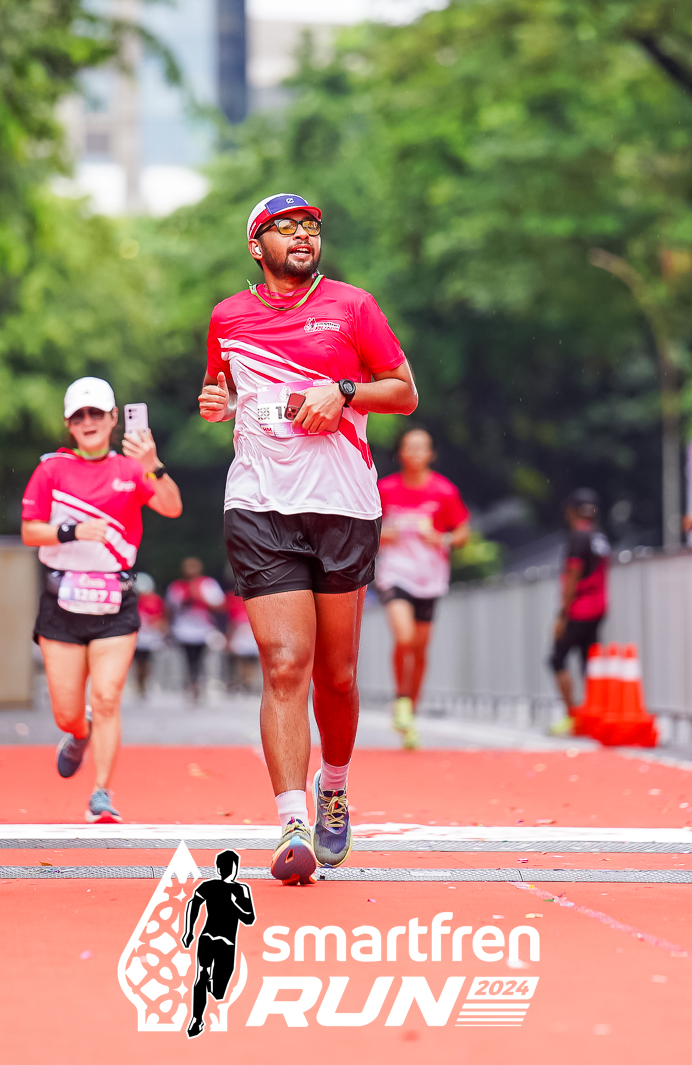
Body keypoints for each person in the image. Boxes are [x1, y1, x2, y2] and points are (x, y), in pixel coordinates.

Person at [198, 191, 418, 884]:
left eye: (311, 227)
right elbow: (225, 392)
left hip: (342, 506)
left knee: (337, 675)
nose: (302, 235)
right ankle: (292, 821)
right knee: (286, 663)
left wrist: (343, 392)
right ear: (255, 245)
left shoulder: (353, 306)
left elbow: (403, 392)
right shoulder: (227, 317)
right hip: (260, 504)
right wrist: (218, 404)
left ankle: (335, 788)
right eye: (285, 227)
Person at [21, 375, 183, 823]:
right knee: (67, 713)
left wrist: (153, 464)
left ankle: (102, 793)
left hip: (115, 603)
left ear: (114, 418)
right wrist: (71, 531)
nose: (88, 421)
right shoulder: (51, 470)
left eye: (97, 413)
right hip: (62, 603)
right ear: (69, 424)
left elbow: (172, 507)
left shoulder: (132, 469)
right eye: (79, 415)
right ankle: (79, 733)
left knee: (108, 697)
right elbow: (30, 531)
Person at [375, 427, 472, 749]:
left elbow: (463, 533)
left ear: (431, 454)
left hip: (430, 578)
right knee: (404, 637)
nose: (415, 452)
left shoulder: (443, 491)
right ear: (400, 453)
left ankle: (410, 712)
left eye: (422, 447)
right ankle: (401, 699)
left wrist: (442, 538)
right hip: (395, 574)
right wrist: (381, 535)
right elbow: (365, 526)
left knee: (419, 649)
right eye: (409, 446)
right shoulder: (386, 488)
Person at [547, 488, 611, 736]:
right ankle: (594, 714)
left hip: (580, 607)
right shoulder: (599, 538)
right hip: (599, 606)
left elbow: (573, 574)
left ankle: (573, 715)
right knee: (589, 661)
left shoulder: (577, 537)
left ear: (572, 511)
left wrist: (562, 615)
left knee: (557, 658)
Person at [179, 849, 256, 1038]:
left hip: (221, 942)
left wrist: (233, 905)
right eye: (227, 866)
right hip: (212, 938)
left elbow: (249, 918)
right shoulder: (212, 886)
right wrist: (189, 931)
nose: (230, 870)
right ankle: (197, 1018)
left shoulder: (240, 889)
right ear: (221, 869)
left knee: (217, 990)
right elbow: (193, 904)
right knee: (202, 974)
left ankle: (209, 986)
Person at [166, 558, 227, 703]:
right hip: (183, 630)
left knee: (202, 659)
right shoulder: (177, 586)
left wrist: (201, 598)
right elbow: (169, 608)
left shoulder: (208, 584)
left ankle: (200, 683)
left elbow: (221, 606)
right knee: (187, 659)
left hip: (204, 629)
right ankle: (191, 684)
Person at [132, 573, 165, 698]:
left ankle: (143, 683)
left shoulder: (155, 600)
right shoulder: (132, 600)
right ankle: (139, 683)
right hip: (136, 635)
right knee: (137, 662)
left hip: (149, 637)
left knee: (146, 661)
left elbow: (160, 618)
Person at [223, 587, 260, 692]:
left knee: (251, 659)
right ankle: (240, 681)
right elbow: (231, 618)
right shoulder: (232, 597)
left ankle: (248, 682)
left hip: (251, 628)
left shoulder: (257, 596)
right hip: (240, 629)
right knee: (240, 658)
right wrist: (229, 635)